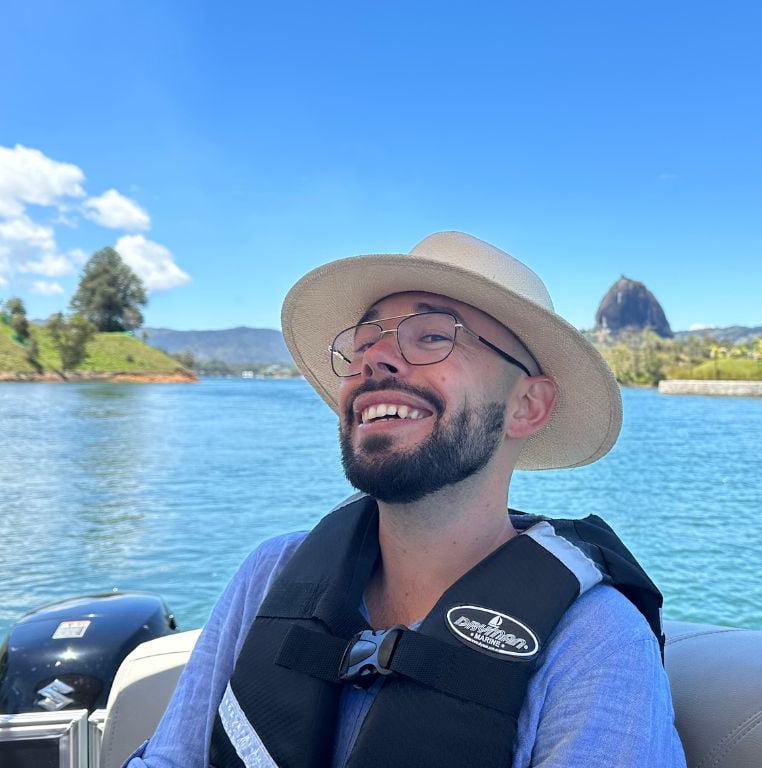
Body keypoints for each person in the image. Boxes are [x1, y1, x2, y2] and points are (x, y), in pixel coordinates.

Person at [125, 231, 686, 768]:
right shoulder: (269, 575)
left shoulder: (594, 643)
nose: (374, 359)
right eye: (364, 342)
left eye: (434, 336)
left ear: (527, 406)